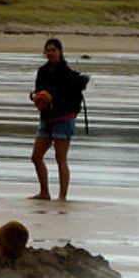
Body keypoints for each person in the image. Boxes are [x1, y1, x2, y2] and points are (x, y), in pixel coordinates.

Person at [30, 38, 89, 201]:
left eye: (53, 50)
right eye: (47, 50)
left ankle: (62, 196)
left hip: (64, 118)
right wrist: (36, 98)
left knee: (60, 158)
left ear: (60, 52)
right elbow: (37, 91)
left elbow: (67, 99)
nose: (50, 53)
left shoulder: (67, 73)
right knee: (36, 156)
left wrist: (52, 101)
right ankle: (44, 192)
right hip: (47, 118)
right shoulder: (42, 71)